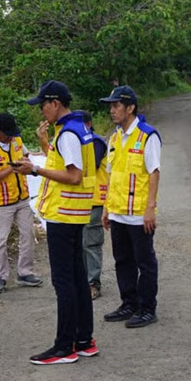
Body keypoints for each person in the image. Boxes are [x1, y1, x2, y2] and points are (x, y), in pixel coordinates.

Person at [12, 81, 98, 365]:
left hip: (65, 214)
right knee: (76, 278)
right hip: (74, 212)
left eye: (42, 104)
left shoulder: (68, 133)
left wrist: (35, 169)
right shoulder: (78, 129)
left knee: (64, 282)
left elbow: (74, 176)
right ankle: (83, 340)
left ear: (56, 103)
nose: (41, 110)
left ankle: (65, 346)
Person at [99, 86, 162, 328]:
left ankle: (147, 307)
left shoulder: (147, 136)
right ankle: (129, 302)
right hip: (117, 212)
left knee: (145, 261)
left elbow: (154, 173)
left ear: (130, 108)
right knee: (122, 260)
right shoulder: (114, 138)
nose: (112, 110)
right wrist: (107, 208)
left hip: (138, 214)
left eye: (116, 106)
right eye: (111, 106)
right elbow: (112, 175)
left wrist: (150, 208)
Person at [0, 112, 43, 294]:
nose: (10, 137)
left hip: (22, 199)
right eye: (6, 133)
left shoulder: (16, 140)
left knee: (28, 235)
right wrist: (12, 167)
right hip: (0, 204)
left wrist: (26, 162)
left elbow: (26, 157)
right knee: (0, 241)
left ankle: (25, 272)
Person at [80, 111, 109, 300]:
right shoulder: (82, 143)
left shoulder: (96, 143)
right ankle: (84, 281)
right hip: (81, 201)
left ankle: (93, 283)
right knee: (81, 244)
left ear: (89, 124)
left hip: (95, 201)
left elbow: (85, 168)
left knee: (91, 244)